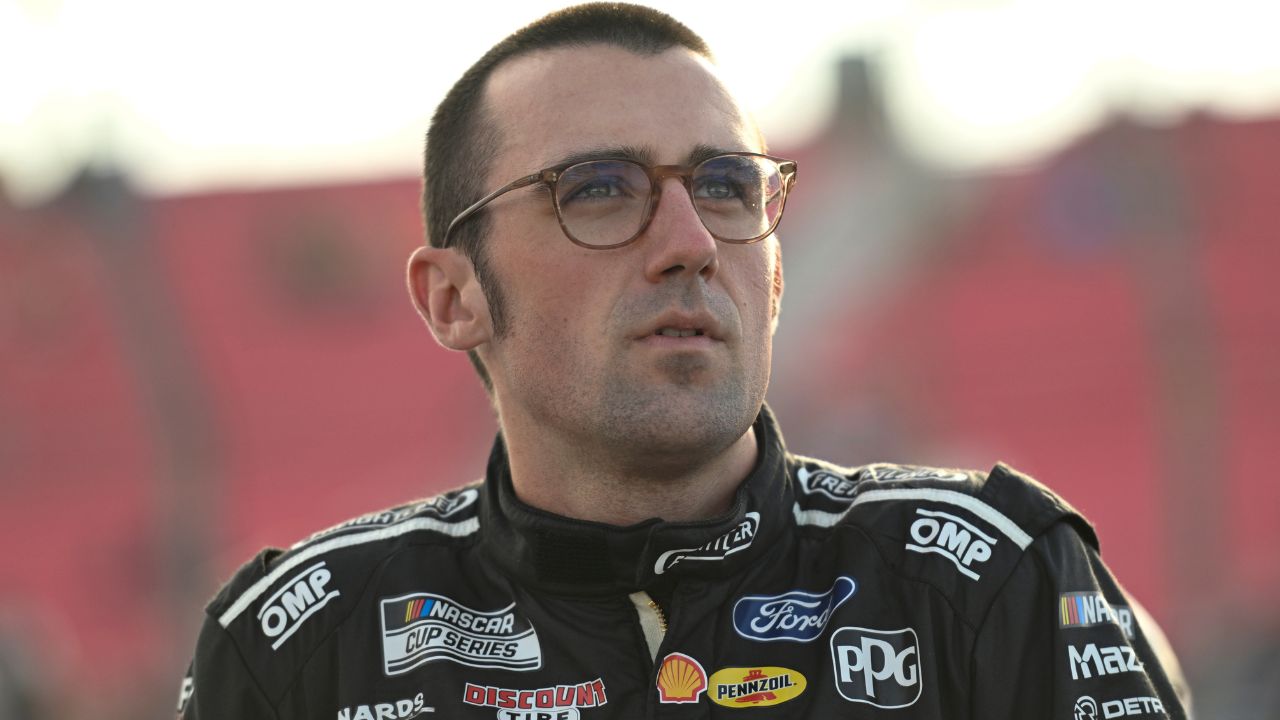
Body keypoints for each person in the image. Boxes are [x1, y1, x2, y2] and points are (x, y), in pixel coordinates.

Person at [176, 4, 1191, 718]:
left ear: (777, 276)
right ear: (454, 297)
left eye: (727, 187)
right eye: (599, 188)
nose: (692, 242)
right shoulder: (299, 647)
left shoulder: (988, 579)